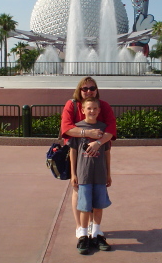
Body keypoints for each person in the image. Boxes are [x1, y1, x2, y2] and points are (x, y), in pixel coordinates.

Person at [60, 76, 116, 240]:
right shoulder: (71, 105)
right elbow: (67, 128)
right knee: (78, 189)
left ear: (97, 90)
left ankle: (93, 226)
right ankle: (80, 226)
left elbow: (111, 128)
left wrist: (98, 142)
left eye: (92, 88)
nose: (88, 91)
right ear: (79, 90)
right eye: (85, 89)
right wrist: (87, 133)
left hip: (99, 154)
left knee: (97, 193)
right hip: (78, 154)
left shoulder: (103, 106)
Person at [69, 97, 112, 254]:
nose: (92, 111)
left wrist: (109, 173)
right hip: (84, 174)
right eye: (89, 108)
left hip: (100, 174)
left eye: (95, 108)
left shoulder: (103, 129)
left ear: (99, 110)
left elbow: (107, 152)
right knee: (84, 207)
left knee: (98, 205)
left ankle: (96, 234)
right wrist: (73, 173)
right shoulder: (78, 128)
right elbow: (73, 151)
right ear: (82, 110)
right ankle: (84, 235)